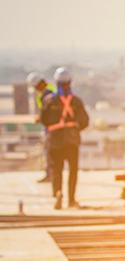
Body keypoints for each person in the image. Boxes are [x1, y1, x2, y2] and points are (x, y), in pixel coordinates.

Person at [40, 67, 89, 210]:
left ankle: (58, 193)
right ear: (70, 82)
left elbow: (44, 120)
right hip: (72, 141)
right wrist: (74, 129)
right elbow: (85, 121)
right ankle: (72, 200)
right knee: (73, 170)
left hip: (55, 140)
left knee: (56, 169)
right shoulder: (76, 101)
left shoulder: (49, 100)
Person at [26, 72, 57, 182]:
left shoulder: (47, 93)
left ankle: (50, 175)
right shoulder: (51, 90)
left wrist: (41, 118)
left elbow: (49, 113)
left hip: (51, 128)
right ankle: (52, 174)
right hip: (53, 127)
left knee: (50, 152)